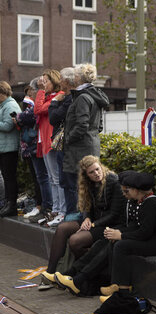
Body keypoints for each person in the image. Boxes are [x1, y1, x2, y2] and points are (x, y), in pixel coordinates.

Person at [40, 155, 126, 289]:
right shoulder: (87, 184)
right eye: (91, 172)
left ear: (101, 167)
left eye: (97, 169)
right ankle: (50, 273)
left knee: (75, 240)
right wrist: (86, 217)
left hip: (107, 225)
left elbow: (114, 214)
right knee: (63, 228)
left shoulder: (114, 181)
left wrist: (92, 224)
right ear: (86, 175)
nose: (96, 174)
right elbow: (86, 206)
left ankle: (81, 273)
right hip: (93, 221)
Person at [93, 171, 156, 301]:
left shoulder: (151, 204)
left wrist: (121, 235)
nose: (126, 193)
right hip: (154, 239)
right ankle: (115, 284)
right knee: (116, 242)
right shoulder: (143, 202)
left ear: (137, 190)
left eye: (128, 190)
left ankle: (123, 290)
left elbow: (144, 233)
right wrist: (118, 235)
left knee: (122, 245)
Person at [62, 63, 109, 219]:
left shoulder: (82, 97)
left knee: (80, 184)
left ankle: (82, 218)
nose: (74, 78)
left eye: (75, 75)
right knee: (90, 184)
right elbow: (99, 125)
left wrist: (68, 138)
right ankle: (87, 217)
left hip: (80, 147)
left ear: (79, 78)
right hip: (92, 143)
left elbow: (82, 124)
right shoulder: (96, 95)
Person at [15, 84, 53, 220]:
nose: (29, 94)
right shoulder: (34, 102)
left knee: (44, 178)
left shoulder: (43, 101)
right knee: (39, 177)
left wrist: (19, 117)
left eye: (31, 90)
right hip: (33, 146)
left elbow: (27, 116)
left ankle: (45, 207)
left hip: (37, 144)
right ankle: (42, 206)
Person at [34, 70, 65, 226]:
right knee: (53, 179)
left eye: (46, 81)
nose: (44, 84)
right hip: (45, 141)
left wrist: (40, 91)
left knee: (57, 178)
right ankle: (55, 209)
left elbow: (38, 109)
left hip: (51, 141)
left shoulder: (57, 96)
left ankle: (61, 211)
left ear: (54, 81)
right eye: (43, 82)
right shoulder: (50, 97)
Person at [49, 67, 77, 220]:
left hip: (66, 145)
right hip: (62, 145)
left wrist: (53, 102)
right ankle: (66, 213)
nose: (59, 82)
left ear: (66, 81)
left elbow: (53, 118)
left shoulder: (69, 99)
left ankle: (70, 214)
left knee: (69, 182)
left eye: (60, 79)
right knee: (64, 180)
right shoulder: (66, 98)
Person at [0, 81, 22, 217]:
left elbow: (8, 126)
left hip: (9, 148)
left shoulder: (10, 105)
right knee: (7, 177)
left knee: (9, 178)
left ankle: (11, 205)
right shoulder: (3, 105)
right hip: (3, 148)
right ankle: (7, 203)